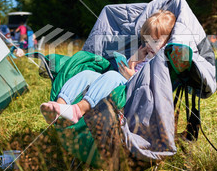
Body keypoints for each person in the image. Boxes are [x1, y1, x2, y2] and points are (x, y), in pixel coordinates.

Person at [40, 10, 176, 125]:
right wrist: (134, 59)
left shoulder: (161, 64)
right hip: (120, 82)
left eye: (155, 41)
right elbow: (127, 67)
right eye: (146, 40)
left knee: (113, 75)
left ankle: (79, 110)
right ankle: (58, 107)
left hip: (132, 95)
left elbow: (152, 88)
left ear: (168, 42)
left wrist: (131, 77)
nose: (149, 45)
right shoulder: (145, 55)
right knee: (87, 74)